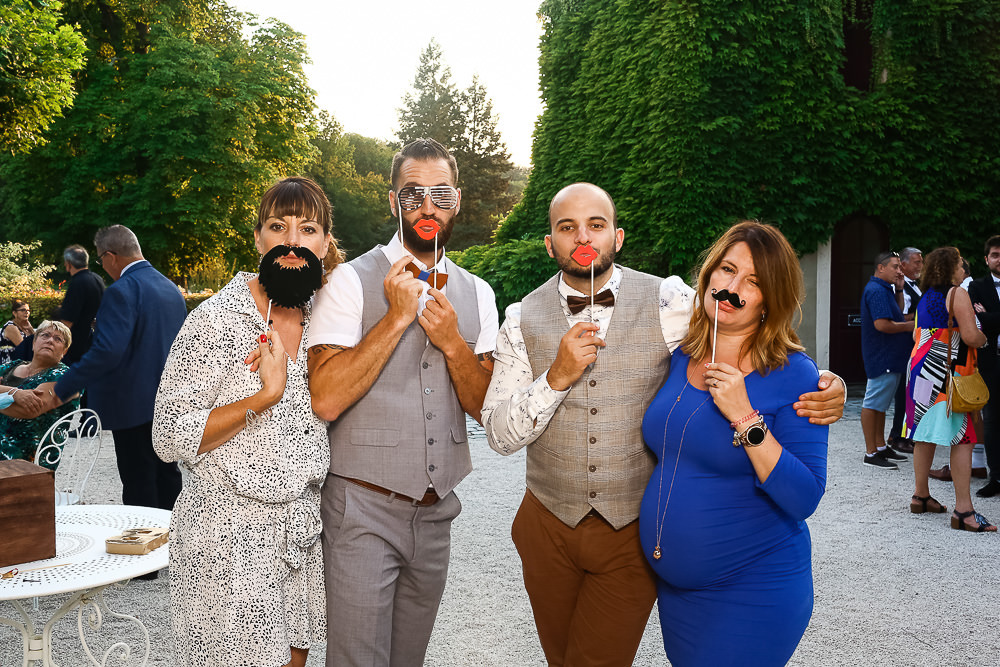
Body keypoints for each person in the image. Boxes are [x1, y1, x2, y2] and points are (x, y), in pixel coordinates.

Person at [482, 186, 843, 667]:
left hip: (640, 540)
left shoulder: (669, 302)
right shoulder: (522, 318)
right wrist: (556, 378)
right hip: (552, 525)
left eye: (596, 224)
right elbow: (500, 435)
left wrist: (825, 384)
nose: (583, 236)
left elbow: (760, 331)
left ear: (618, 236)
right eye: (567, 227)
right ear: (550, 243)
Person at [308, 138, 498, 666]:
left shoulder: (479, 292)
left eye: (439, 194)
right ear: (393, 203)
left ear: (456, 200)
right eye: (413, 195)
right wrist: (394, 319)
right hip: (361, 509)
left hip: (436, 514)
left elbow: (484, 407)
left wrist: (454, 345)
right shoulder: (348, 281)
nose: (427, 207)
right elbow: (324, 397)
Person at [153, 177, 340, 667]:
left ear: (324, 244)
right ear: (258, 238)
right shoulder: (216, 321)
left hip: (299, 531)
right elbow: (168, 434)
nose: (293, 241)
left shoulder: (328, 319)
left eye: (309, 228)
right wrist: (266, 395)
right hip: (226, 535)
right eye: (278, 226)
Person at [637, 221, 828, 667]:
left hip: (754, 588)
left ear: (770, 301)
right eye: (726, 269)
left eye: (754, 281)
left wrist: (745, 417)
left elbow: (805, 496)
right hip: (679, 595)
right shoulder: (682, 351)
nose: (732, 286)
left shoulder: (794, 374)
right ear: (708, 275)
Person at [47, 225, 187, 518]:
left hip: (132, 406)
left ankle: (144, 564)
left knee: (139, 489)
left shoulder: (122, 290)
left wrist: (62, 387)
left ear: (110, 256)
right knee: (168, 479)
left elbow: (107, 350)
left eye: (101, 259)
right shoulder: (170, 288)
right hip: (170, 404)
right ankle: (173, 551)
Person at [905, 247, 995, 532]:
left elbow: (916, 332)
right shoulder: (957, 294)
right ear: (949, 267)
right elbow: (969, 335)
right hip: (947, 372)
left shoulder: (926, 296)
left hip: (920, 368)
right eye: (959, 263)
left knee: (923, 433)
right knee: (964, 437)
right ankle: (964, 511)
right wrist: (983, 339)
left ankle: (920, 496)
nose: (963, 267)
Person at [860, 251, 915, 469]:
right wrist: (912, 326)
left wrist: (900, 289)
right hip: (883, 357)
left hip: (890, 357)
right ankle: (870, 453)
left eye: (900, 268)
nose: (900, 271)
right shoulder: (876, 290)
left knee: (880, 406)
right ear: (881, 268)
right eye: (895, 267)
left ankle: (881, 447)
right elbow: (882, 325)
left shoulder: (885, 289)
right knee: (872, 404)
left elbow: (898, 315)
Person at [0, 321, 80, 466]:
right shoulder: (12, 366)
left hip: (27, 464)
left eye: (58, 339)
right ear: (33, 343)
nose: (50, 340)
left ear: (65, 351)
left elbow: (27, 410)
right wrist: (15, 393)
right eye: (45, 335)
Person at [968, 235, 1000, 498]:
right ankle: (996, 477)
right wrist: (984, 318)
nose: (999, 260)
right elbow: (977, 323)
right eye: (995, 255)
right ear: (987, 259)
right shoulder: (976, 287)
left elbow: (987, 320)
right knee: (992, 421)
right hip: (991, 362)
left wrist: (989, 316)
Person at [888, 247, 923, 454]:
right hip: (904, 346)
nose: (920, 265)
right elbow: (900, 317)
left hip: (914, 344)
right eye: (917, 262)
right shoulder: (899, 288)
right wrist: (923, 315)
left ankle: (906, 435)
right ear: (904, 264)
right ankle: (897, 436)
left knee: (911, 393)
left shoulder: (915, 286)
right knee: (903, 393)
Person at [55, 244, 106, 365]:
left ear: (68, 264)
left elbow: (67, 322)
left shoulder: (78, 283)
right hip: (92, 340)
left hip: (75, 346)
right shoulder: (97, 279)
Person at [1, 299, 34, 364]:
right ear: (14, 313)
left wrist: (31, 330)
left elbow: (37, 343)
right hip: (9, 365)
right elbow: (24, 349)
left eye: (28, 310)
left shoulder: (25, 327)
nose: (26, 312)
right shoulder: (11, 327)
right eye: (22, 310)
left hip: (21, 362)